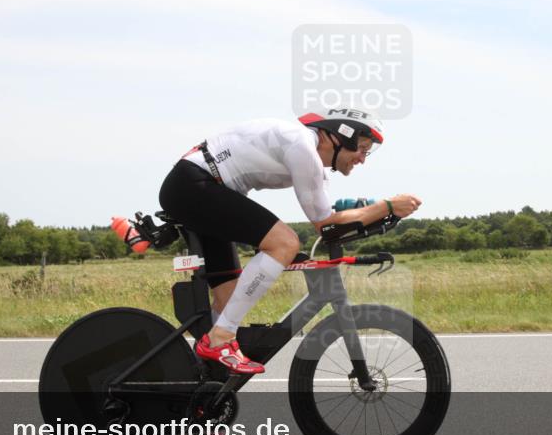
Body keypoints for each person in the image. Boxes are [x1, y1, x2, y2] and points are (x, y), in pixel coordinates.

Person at [158, 109, 422, 374]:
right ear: (342, 136)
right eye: (362, 149)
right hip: (194, 185)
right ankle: (220, 340)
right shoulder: (302, 146)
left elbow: (330, 219)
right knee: (284, 243)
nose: (362, 159)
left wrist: (377, 211)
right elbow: (325, 224)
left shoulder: (308, 155)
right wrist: (387, 206)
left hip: (202, 188)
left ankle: (203, 382)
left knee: (227, 301)